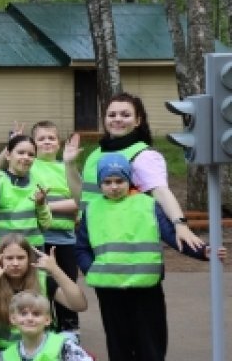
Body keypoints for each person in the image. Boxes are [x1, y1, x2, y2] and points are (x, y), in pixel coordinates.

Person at [76, 153, 225, 361]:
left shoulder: (147, 205)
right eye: (107, 181)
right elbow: (81, 247)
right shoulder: (92, 210)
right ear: (100, 184)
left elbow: (172, 235)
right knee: (119, 351)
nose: (113, 186)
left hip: (146, 291)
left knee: (151, 351)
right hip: (110, 293)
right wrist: (91, 269)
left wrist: (203, 252)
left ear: (129, 180)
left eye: (119, 180)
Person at [65, 92, 204, 254]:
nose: (117, 119)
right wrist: (69, 164)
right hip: (95, 235)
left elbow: (161, 192)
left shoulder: (144, 155)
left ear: (138, 121)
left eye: (125, 115)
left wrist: (180, 224)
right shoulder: (96, 154)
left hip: (126, 239)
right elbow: (82, 198)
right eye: (112, 115)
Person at [0, 234, 87, 351]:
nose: (15, 263)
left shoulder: (42, 279)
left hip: (42, 350)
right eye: (9, 258)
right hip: (5, 351)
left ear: (29, 259)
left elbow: (80, 305)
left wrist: (56, 270)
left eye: (21, 257)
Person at [27, 121, 81, 331]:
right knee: (41, 288)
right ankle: (42, 332)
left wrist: (46, 204)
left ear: (58, 143)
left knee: (67, 285)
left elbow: (79, 202)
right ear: (34, 143)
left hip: (66, 240)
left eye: (51, 138)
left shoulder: (67, 168)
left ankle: (70, 332)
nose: (47, 142)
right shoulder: (30, 167)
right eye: (41, 138)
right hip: (38, 239)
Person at [0, 135, 52, 250]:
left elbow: (46, 225)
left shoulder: (38, 183)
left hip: (32, 249)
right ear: (8, 155)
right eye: (21, 152)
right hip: (3, 249)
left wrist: (41, 205)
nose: (26, 157)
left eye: (31, 154)